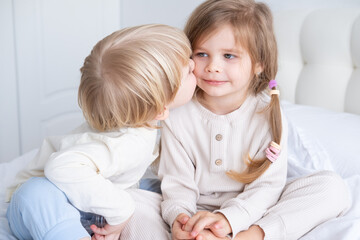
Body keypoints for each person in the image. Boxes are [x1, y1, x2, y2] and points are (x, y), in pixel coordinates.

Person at [157, 0, 351, 240]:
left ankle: (248, 238)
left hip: (253, 210)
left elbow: (267, 188)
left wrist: (228, 221)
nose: (213, 67)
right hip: (194, 212)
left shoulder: (267, 111)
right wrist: (182, 220)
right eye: (202, 54)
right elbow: (176, 185)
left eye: (229, 56)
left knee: (333, 188)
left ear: (259, 63)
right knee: (134, 203)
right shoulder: (177, 113)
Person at [6, 24, 196, 240]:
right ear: (160, 110)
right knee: (36, 193)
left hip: (85, 205)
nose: (194, 64)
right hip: (38, 208)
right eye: (189, 71)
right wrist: (121, 209)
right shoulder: (127, 143)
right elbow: (61, 167)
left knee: (157, 189)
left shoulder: (131, 118)